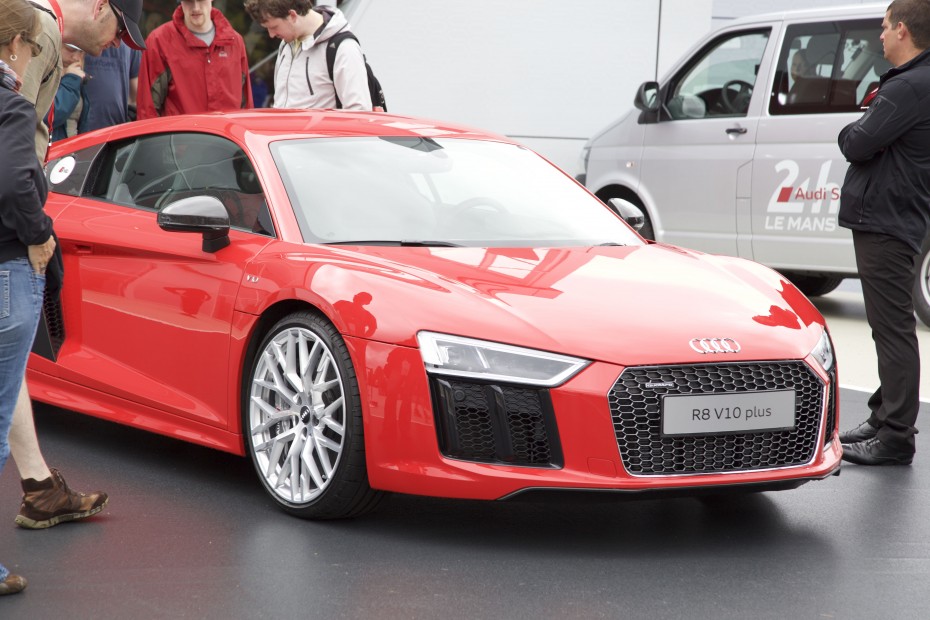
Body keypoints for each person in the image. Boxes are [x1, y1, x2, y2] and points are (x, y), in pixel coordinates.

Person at [10, 0, 145, 532]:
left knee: (9, 356)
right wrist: (35, 231)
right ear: (97, 6)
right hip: (11, 220)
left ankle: (39, 486)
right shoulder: (39, 30)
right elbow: (9, 142)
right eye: (119, 30)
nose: (117, 44)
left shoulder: (41, 28)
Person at [838, 0, 930, 466]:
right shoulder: (915, 83)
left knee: (892, 330)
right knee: (887, 327)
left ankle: (896, 435)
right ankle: (883, 415)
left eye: (882, 28)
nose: (878, 36)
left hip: (887, 218)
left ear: (901, 30)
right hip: (900, 215)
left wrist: (851, 129)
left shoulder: (908, 87)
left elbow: (856, 142)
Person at [0, 0, 53, 595]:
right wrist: (39, 234)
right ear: (15, 44)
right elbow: (14, 179)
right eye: (35, 48)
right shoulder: (12, 108)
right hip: (9, 269)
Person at [243, 0, 373, 110]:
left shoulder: (343, 48)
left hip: (320, 139)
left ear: (293, 16)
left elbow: (359, 113)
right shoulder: (287, 44)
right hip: (283, 139)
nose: (271, 35)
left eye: (274, 27)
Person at [136, 0, 253, 119]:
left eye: (201, 0)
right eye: (189, 1)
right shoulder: (159, 42)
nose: (196, 7)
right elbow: (147, 109)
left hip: (227, 135)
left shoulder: (235, 42)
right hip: (181, 136)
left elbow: (246, 107)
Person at [82, 44, 140, 130]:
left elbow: (135, 96)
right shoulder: (79, 36)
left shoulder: (129, 40)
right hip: (79, 131)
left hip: (116, 130)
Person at [48, 43, 88, 139]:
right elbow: (50, 116)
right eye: (71, 49)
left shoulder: (74, 76)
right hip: (53, 149)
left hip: (71, 149)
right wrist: (71, 81)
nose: (76, 57)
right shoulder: (71, 79)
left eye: (82, 52)